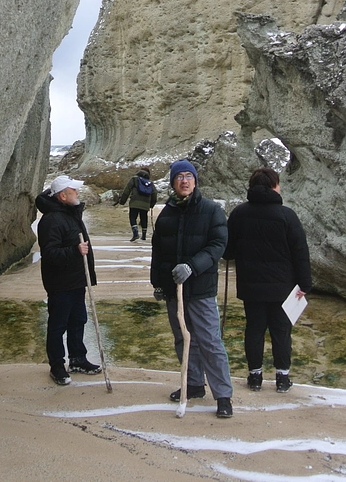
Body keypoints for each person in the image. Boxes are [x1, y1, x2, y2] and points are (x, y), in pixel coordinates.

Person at [150, 159, 234, 418]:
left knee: (210, 341)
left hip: (200, 288)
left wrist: (191, 267)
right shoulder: (166, 214)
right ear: (173, 182)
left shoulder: (211, 211)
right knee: (183, 339)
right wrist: (159, 284)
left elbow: (217, 245)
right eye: (179, 177)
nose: (184, 180)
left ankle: (223, 395)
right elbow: (159, 253)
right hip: (174, 290)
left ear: (195, 181)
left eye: (189, 176)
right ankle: (194, 384)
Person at [225, 167, 312, 393]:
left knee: (254, 329)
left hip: (250, 285)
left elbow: (228, 251)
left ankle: (255, 376)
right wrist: (305, 284)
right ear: (274, 186)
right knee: (281, 331)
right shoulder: (287, 215)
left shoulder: (239, 214)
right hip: (282, 287)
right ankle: (282, 378)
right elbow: (300, 252)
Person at [35, 175, 102, 386]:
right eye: (74, 190)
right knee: (58, 325)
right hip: (60, 284)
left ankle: (77, 359)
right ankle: (57, 366)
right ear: (63, 195)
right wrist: (75, 251)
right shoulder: (51, 220)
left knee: (78, 320)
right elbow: (50, 253)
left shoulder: (70, 214)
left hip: (75, 281)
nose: (78, 193)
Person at [116, 166, 158, 241]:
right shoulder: (150, 182)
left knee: (133, 217)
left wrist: (122, 201)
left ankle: (135, 233)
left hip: (134, 202)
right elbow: (154, 194)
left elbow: (127, 190)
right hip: (145, 204)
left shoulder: (134, 179)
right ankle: (144, 235)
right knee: (144, 218)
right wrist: (151, 204)